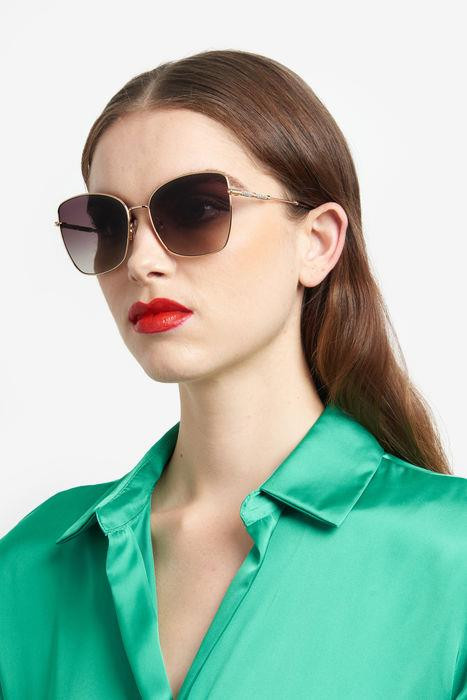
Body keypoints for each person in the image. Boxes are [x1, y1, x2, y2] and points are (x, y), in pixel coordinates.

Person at [0, 49, 466, 700]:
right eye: (108, 226)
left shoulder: (450, 555)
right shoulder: (32, 564)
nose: (140, 262)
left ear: (317, 242)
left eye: (195, 210)